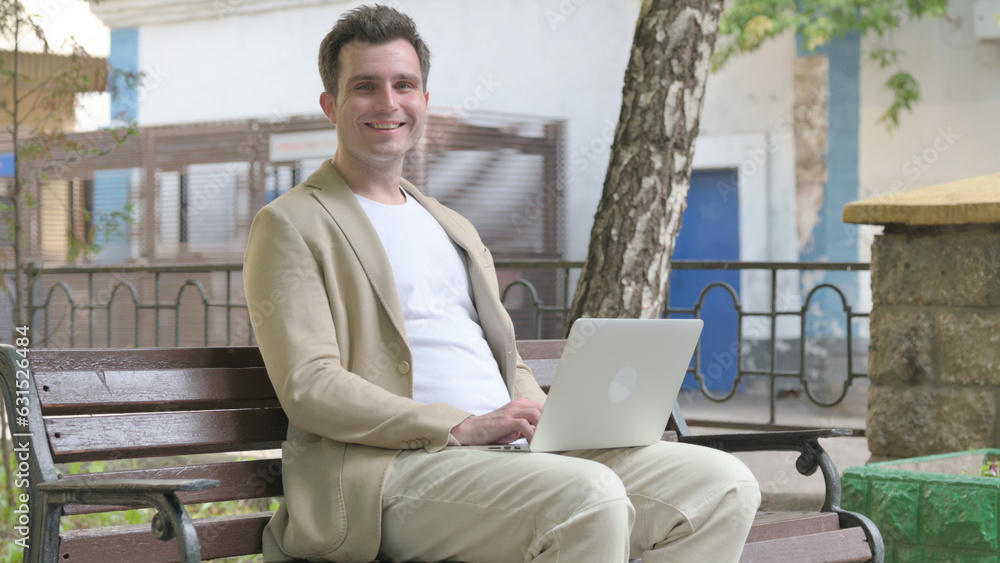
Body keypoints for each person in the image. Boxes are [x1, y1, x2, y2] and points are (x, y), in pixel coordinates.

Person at [243, 5, 760, 562]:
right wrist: (459, 426)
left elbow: (504, 357)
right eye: (366, 87)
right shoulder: (292, 223)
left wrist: (542, 418)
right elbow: (311, 386)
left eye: (404, 85)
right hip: (390, 473)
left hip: (508, 458)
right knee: (587, 497)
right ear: (331, 104)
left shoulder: (448, 223)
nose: (388, 103)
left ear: (424, 100)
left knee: (722, 484)